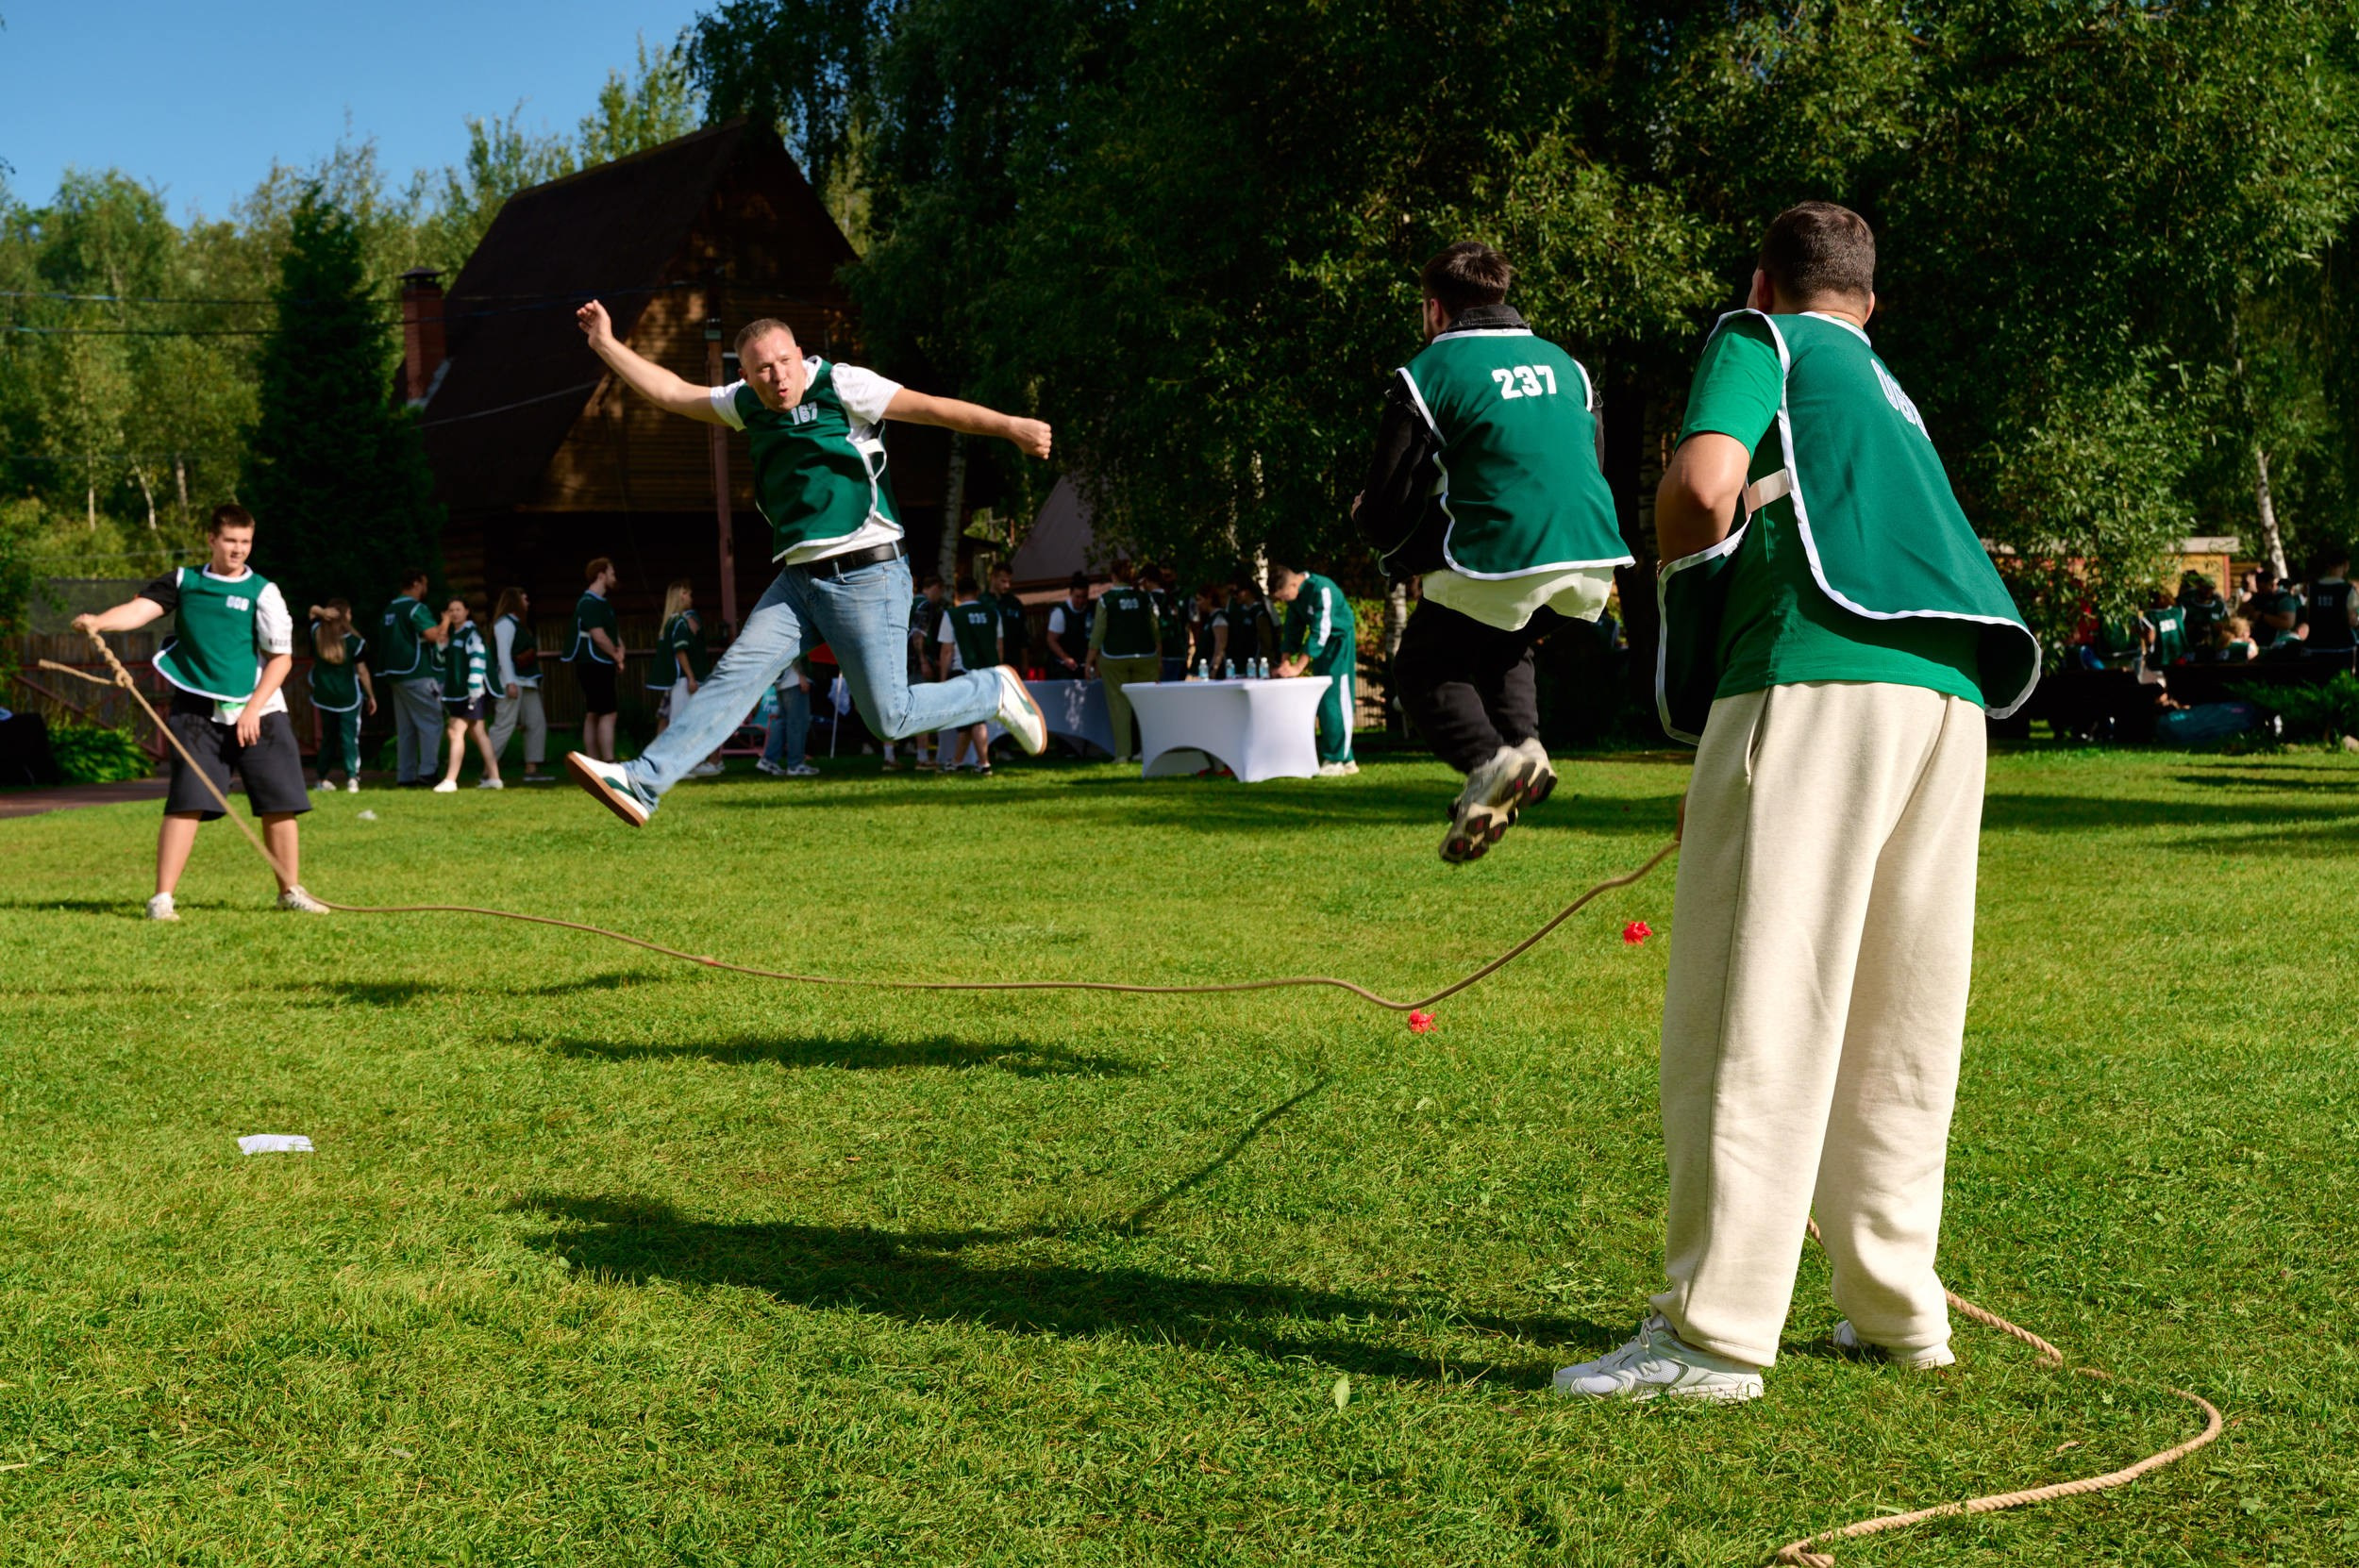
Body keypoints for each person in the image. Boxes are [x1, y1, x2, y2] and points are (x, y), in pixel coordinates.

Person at [1557, 203, 2039, 1404]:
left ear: (1763, 279)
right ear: (1868, 303)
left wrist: (1685, 591)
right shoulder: (1888, 389)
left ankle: (1709, 1337)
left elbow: (1702, 485)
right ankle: (1893, 1312)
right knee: (1900, 1015)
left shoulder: (1761, 337)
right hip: (1950, 697)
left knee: (1754, 995)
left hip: (1815, 671)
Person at [561, 303, 1047, 826]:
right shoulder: (744, 403)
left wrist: (1011, 426)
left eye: (785, 362)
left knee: (889, 717)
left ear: (800, 354)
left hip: (868, 573)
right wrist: (606, 345)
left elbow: (931, 409)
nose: (778, 377)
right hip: (800, 582)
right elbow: (673, 394)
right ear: (744, 374)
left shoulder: (843, 385)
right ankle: (642, 780)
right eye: (762, 370)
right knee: (734, 676)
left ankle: (993, 690)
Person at [1349, 241, 1633, 861]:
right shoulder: (1568, 365)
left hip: (1501, 547)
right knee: (1506, 637)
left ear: (1434, 310)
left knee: (1424, 667)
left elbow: (1390, 495)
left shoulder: (1428, 370)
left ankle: (1490, 762)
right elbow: (1594, 460)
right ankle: (1526, 751)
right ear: (1501, 294)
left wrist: (1378, 532)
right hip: (1591, 549)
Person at [71, 505, 328, 919]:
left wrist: (252, 710)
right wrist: (100, 621)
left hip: (259, 709)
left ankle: (290, 891)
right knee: (186, 800)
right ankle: (162, 898)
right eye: (230, 541)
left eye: (245, 542)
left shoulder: (264, 592)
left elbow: (280, 659)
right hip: (196, 707)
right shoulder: (183, 581)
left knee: (280, 801)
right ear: (211, 539)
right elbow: (141, 610)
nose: (238, 550)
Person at [1270, 561, 1359, 776]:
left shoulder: (1322, 588)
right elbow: (1293, 629)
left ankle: (1336, 760)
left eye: (1283, 596)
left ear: (1293, 585)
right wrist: (1284, 662)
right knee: (1324, 701)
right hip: (1322, 649)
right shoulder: (1296, 597)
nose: (1282, 601)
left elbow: (1322, 629)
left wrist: (1298, 668)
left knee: (1336, 699)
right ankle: (1346, 760)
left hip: (1339, 644)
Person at [377, 567, 448, 787]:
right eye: (424, 584)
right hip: (417, 673)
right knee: (431, 721)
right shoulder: (416, 608)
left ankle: (405, 775)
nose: (425, 589)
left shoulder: (390, 609)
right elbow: (433, 635)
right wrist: (444, 621)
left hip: (395, 675)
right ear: (416, 583)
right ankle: (428, 772)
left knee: (406, 728)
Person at [648, 579, 725, 778]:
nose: (691, 598)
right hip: (682, 679)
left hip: (675, 680)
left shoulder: (670, 622)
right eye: (688, 594)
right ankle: (675, 766)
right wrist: (691, 677)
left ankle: (680, 763)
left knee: (674, 721)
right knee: (680, 722)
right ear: (681, 595)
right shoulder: (680, 622)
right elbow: (680, 651)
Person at [1089, 559, 1161, 763]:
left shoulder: (1106, 600)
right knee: (1146, 704)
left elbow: (1098, 633)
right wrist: (1159, 657)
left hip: (1114, 656)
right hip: (1146, 656)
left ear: (1113, 576)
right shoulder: (1146, 598)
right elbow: (1155, 629)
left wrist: (1089, 660)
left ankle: (1123, 753)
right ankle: (1147, 749)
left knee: (1119, 705)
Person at [433, 598, 503, 792]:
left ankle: (450, 780)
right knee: (478, 733)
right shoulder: (455, 634)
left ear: (467, 611)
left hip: (470, 693)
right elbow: (442, 658)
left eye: (458, 609)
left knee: (454, 731)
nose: (454, 613)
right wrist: (442, 639)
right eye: (450, 610)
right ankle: (495, 778)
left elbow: (478, 659)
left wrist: (474, 688)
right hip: (458, 692)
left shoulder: (471, 634)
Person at [305, 598, 375, 792]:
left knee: (328, 737)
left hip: (324, 695)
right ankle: (352, 778)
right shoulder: (355, 642)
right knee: (349, 737)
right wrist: (371, 695)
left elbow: (312, 610)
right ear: (345, 617)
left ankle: (321, 778)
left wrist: (321, 611)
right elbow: (362, 672)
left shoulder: (317, 633)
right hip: (349, 697)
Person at [938, 574, 1004, 774]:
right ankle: (956, 762)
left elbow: (947, 650)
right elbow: (999, 646)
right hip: (989, 671)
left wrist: (943, 678)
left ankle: (984, 764)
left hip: (963, 670)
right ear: (977, 592)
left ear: (957, 594)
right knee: (967, 720)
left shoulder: (952, 615)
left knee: (974, 718)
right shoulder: (993, 614)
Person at [486, 586, 551, 783]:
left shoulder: (519, 624)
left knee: (536, 722)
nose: (527, 602)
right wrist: (510, 682)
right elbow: (503, 655)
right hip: (512, 680)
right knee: (504, 725)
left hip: (527, 681)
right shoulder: (504, 624)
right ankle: (487, 769)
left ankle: (532, 768)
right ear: (515, 601)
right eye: (524, 599)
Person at [567, 558, 625, 763]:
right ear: (601, 575)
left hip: (601, 663)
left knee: (594, 712)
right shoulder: (588, 602)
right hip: (594, 663)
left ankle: (593, 762)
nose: (613, 577)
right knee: (608, 713)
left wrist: (620, 649)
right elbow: (599, 636)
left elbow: (611, 632)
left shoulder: (602, 604)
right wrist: (616, 655)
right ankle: (607, 762)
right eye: (611, 573)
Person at [757, 664, 819, 777]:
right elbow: (796, 650)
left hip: (782, 681)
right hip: (794, 681)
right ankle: (795, 765)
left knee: (783, 723)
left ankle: (768, 760)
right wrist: (801, 675)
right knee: (797, 724)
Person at [1216, 577, 1278, 677]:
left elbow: (1266, 642)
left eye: (1236, 592)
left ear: (1246, 591)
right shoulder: (1240, 611)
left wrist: (1263, 663)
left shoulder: (1259, 612)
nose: (1234, 596)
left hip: (1256, 666)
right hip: (1242, 665)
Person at [2304, 546, 2357, 653]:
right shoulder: (2348, 589)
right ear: (2346, 565)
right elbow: (2352, 621)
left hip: (2315, 645)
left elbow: (2309, 616)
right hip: (2342, 646)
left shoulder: (2313, 588)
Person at [983, 563, 1032, 675]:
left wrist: (1025, 662)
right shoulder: (982, 603)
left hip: (1012, 661)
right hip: (988, 661)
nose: (1007, 586)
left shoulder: (1015, 603)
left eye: (1010, 582)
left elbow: (1023, 636)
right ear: (993, 578)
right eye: (1003, 581)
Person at [1046, 573, 1094, 678]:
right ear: (1071, 593)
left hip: (1083, 665)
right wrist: (1066, 658)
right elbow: (1051, 640)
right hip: (1063, 668)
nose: (1081, 601)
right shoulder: (1060, 613)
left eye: (1084, 597)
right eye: (1077, 597)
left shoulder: (1092, 610)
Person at [1151, 565, 1190, 681]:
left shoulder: (1185, 596)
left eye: (1168, 576)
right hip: (1161, 654)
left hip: (1179, 652)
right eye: (1162, 576)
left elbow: (1194, 623)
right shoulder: (1153, 598)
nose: (1165, 580)